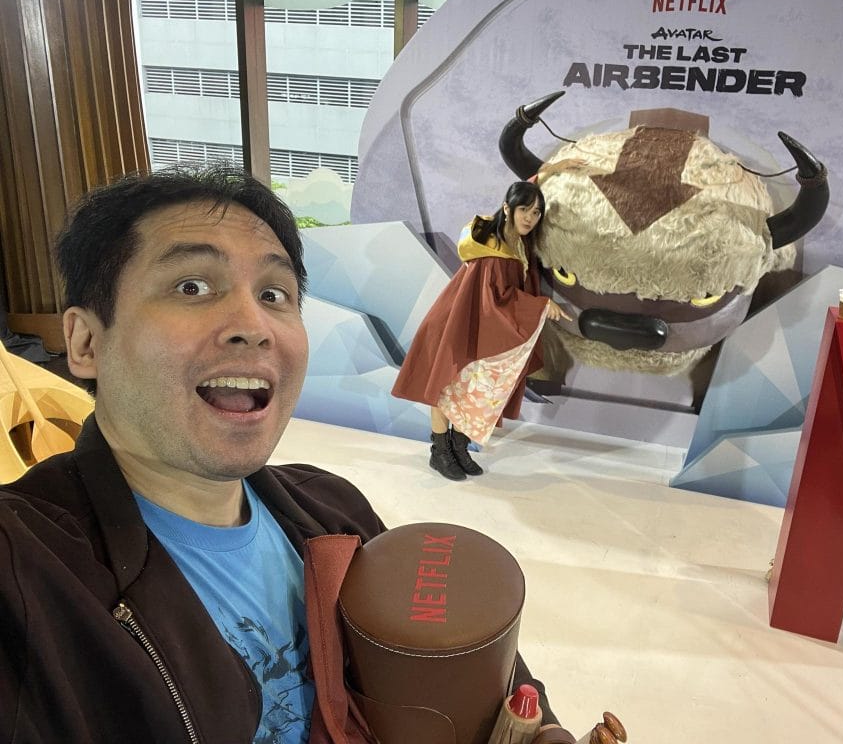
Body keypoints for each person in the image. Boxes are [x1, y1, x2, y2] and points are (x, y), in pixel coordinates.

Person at [0, 164, 552, 743]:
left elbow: (472, 679)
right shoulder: (28, 568)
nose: (253, 324)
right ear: (87, 342)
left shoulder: (330, 510)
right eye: (192, 287)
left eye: (273, 294)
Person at [391, 181, 569, 481]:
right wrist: (541, 305)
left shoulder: (518, 245)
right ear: (507, 208)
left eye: (536, 212)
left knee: (471, 389)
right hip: (456, 323)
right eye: (524, 210)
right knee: (447, 387)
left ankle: (459, 447)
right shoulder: (493, 248)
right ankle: (440, 451)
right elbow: (496, 299)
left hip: (477, 325)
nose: (530, 218)